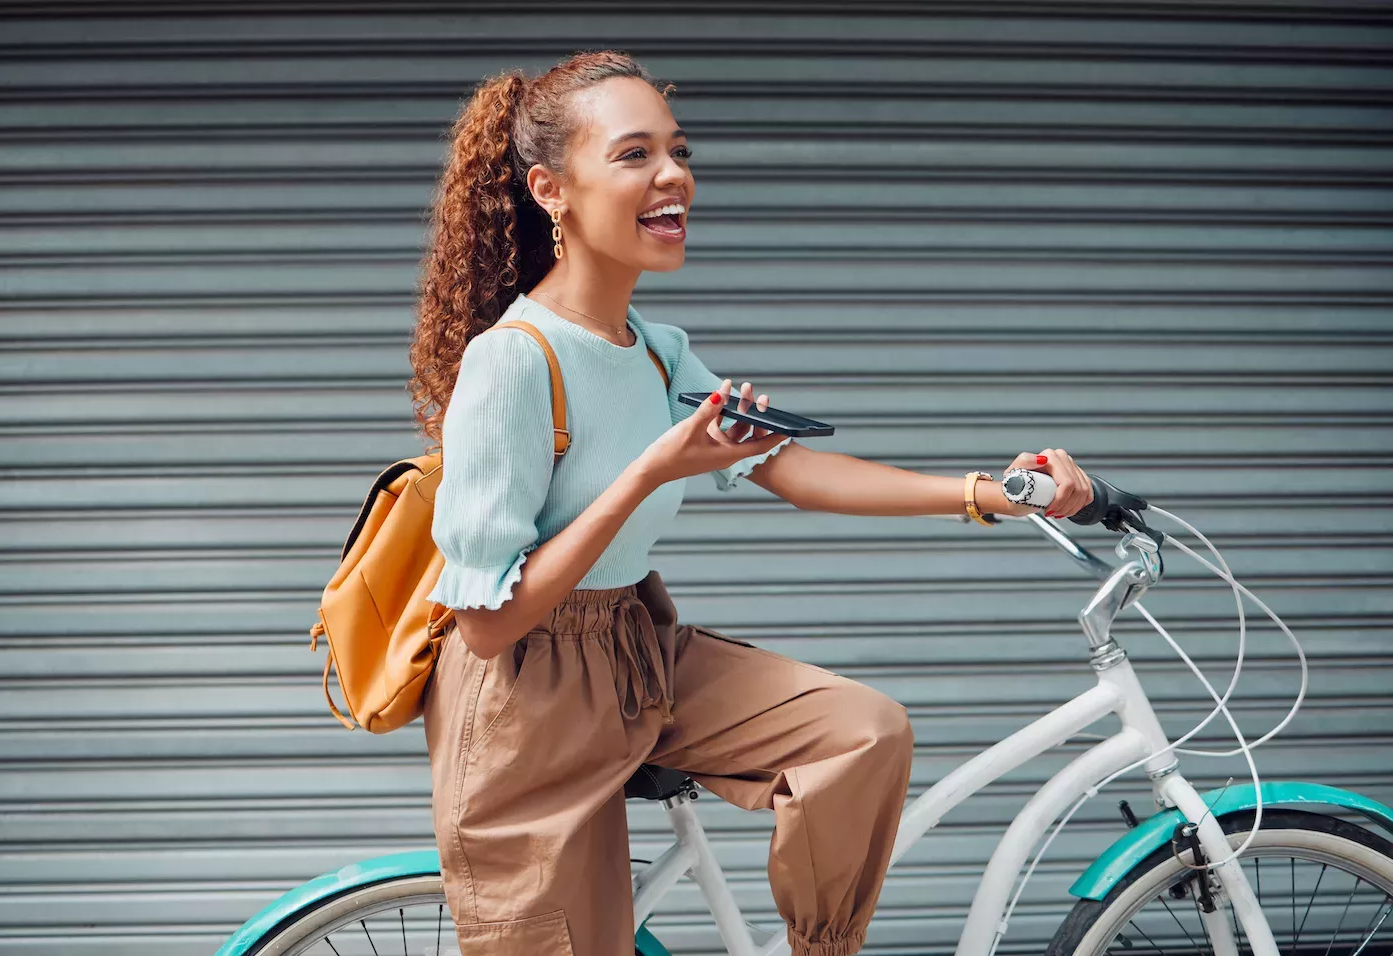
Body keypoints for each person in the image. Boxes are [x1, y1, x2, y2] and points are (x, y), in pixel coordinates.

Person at [407, 50, 1095, 956]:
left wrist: (993, 495)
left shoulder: (656, 350)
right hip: (523, 698)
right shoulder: (513, 361)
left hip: (634, 646)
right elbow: (488, 624)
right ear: (551, 190)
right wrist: (650, 471)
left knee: (861, 735)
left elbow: (798, 472)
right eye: (634, 154)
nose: (673, 175)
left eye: (678, 150)